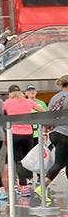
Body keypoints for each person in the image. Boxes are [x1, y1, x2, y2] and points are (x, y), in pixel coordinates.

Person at [4, 86, 39, 196]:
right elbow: (43, 111)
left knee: (18, 160)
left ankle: (23, 186)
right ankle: (28, 180)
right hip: (28, 134)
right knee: (27, 158)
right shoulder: (28, 101)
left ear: (10, 93)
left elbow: (0, 114)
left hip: (14, 133)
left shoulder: (6, 103)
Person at [41, 75, 68, 204]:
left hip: (55, 133)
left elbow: (49, 115)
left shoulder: (54, 97)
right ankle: (41, 187)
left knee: (65, 161)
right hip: (65, 133)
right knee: (59, 163)